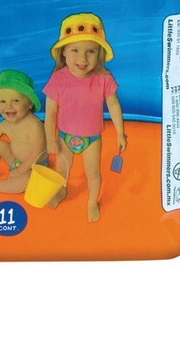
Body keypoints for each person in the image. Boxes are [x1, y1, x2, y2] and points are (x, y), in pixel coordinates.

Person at [43, 13, 127, 222]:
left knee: (93, 173)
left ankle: (91, 202)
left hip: (92, 139)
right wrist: (51, 140)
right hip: (64, 136)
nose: (82, 59)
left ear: (99, 53)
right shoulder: (58, 79)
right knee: (62, 170)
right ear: (63, 52)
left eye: (90, 51)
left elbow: (114, 105)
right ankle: (61, 190)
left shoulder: (103, 78)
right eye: (75, 50)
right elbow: (50, 113)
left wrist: (120, 133)